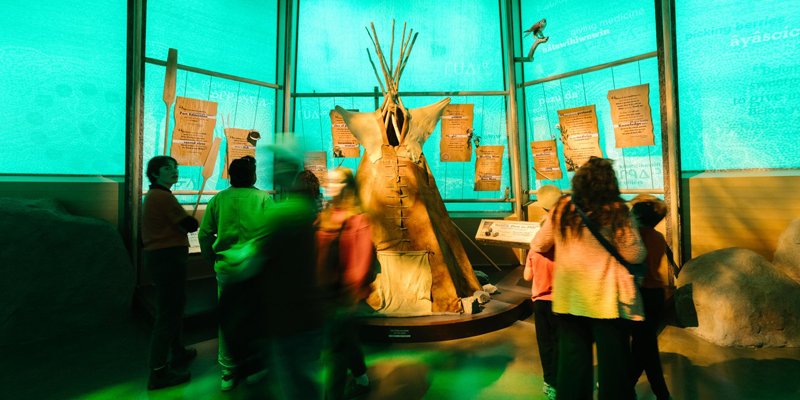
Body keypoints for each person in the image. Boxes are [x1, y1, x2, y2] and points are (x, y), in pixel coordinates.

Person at [530, 157, 646, 400]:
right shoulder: (616, 211)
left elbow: (539, 243)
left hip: (570, 300)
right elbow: (635, 255)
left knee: (573, 368)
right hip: (606, 302)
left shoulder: (562, 208)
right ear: (610, 182)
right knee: (613, 367)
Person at [197, 155, 272, 391]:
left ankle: (228, 371)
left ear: (231, 175)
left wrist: (212, 259)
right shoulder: (263, 199)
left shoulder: (219, 199)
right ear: (253, 175)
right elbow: (272, 234)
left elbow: (204, 235)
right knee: (256, 316)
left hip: (226, 269)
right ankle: (254, 368)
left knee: (228, 320)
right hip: (256, 269)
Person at [141, 155, 199, 390]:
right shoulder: (162, 198)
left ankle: (177, 352)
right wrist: (191, 221)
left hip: (162, 258)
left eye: (175, 167)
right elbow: (189, 225)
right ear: (155, 173)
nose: (174, 171)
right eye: (168, 168)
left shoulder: (156, 196)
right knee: (167, 314)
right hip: (167, 258)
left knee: (174, 308)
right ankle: (158, 372)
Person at [317, 167, 374, 400]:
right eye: (328, 181)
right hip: (324, 294)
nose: (329, 185)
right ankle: (361, 376)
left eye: (336, 182)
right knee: (345, 340)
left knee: (335, 351)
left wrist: (350, 292)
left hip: (343, 295)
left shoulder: (359, 219)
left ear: (347, 186)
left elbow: (361, 262)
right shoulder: (326, 215)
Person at [629, 195, 672, 400]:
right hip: (656, 294)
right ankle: (630, 385)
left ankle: (659, 393)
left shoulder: (637, 237)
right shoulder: (658, 237)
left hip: (642, 295)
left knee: (644, 348)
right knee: (644, 345)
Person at [523, 184, 562, 400]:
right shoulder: (564, 244)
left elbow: (528, 277)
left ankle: (550, 383)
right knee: (562, 342)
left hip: (540, 301)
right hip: (561, 300)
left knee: (545, 344)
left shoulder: (534, 249)